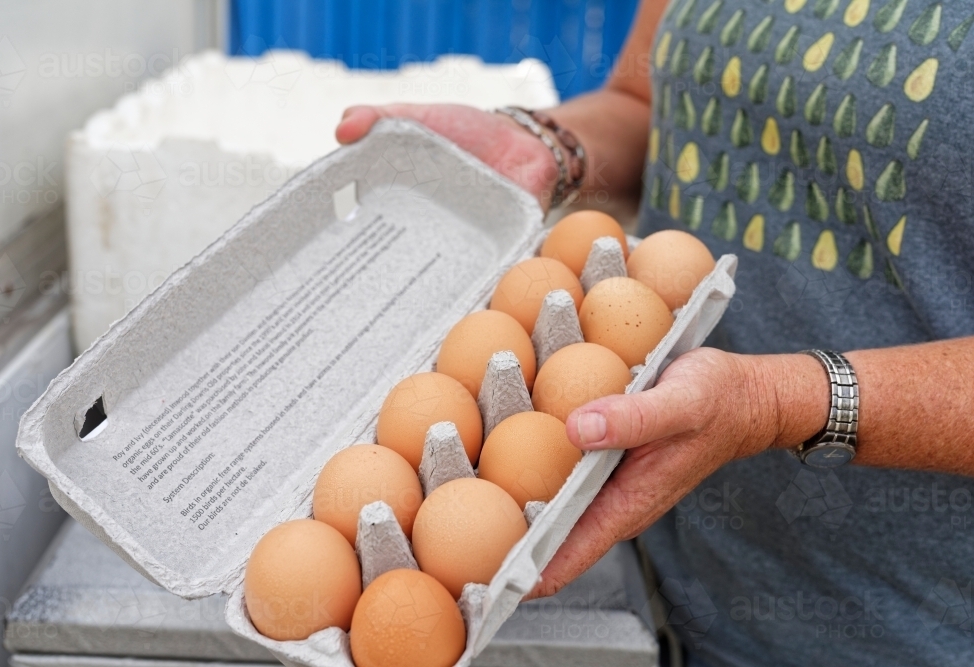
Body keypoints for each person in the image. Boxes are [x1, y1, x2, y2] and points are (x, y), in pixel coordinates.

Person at [336, 1, 974, 665]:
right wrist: (548, 144)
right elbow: (646, 103)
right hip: (672, 591)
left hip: (910, 629)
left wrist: (775, 402)